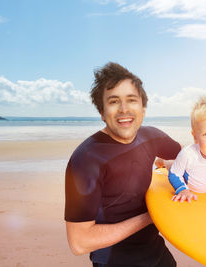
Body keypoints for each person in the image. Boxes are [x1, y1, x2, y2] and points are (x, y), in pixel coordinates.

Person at [64, 62, 181, 266]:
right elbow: (79, 242)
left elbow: (190, 159)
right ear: (102, 112)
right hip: (115, 260)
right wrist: (151, 216)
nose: (124, 109)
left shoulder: (151, 137)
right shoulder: (86, 160)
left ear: (143, 108)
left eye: (131, 100)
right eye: (114, 101)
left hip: (156, 252)